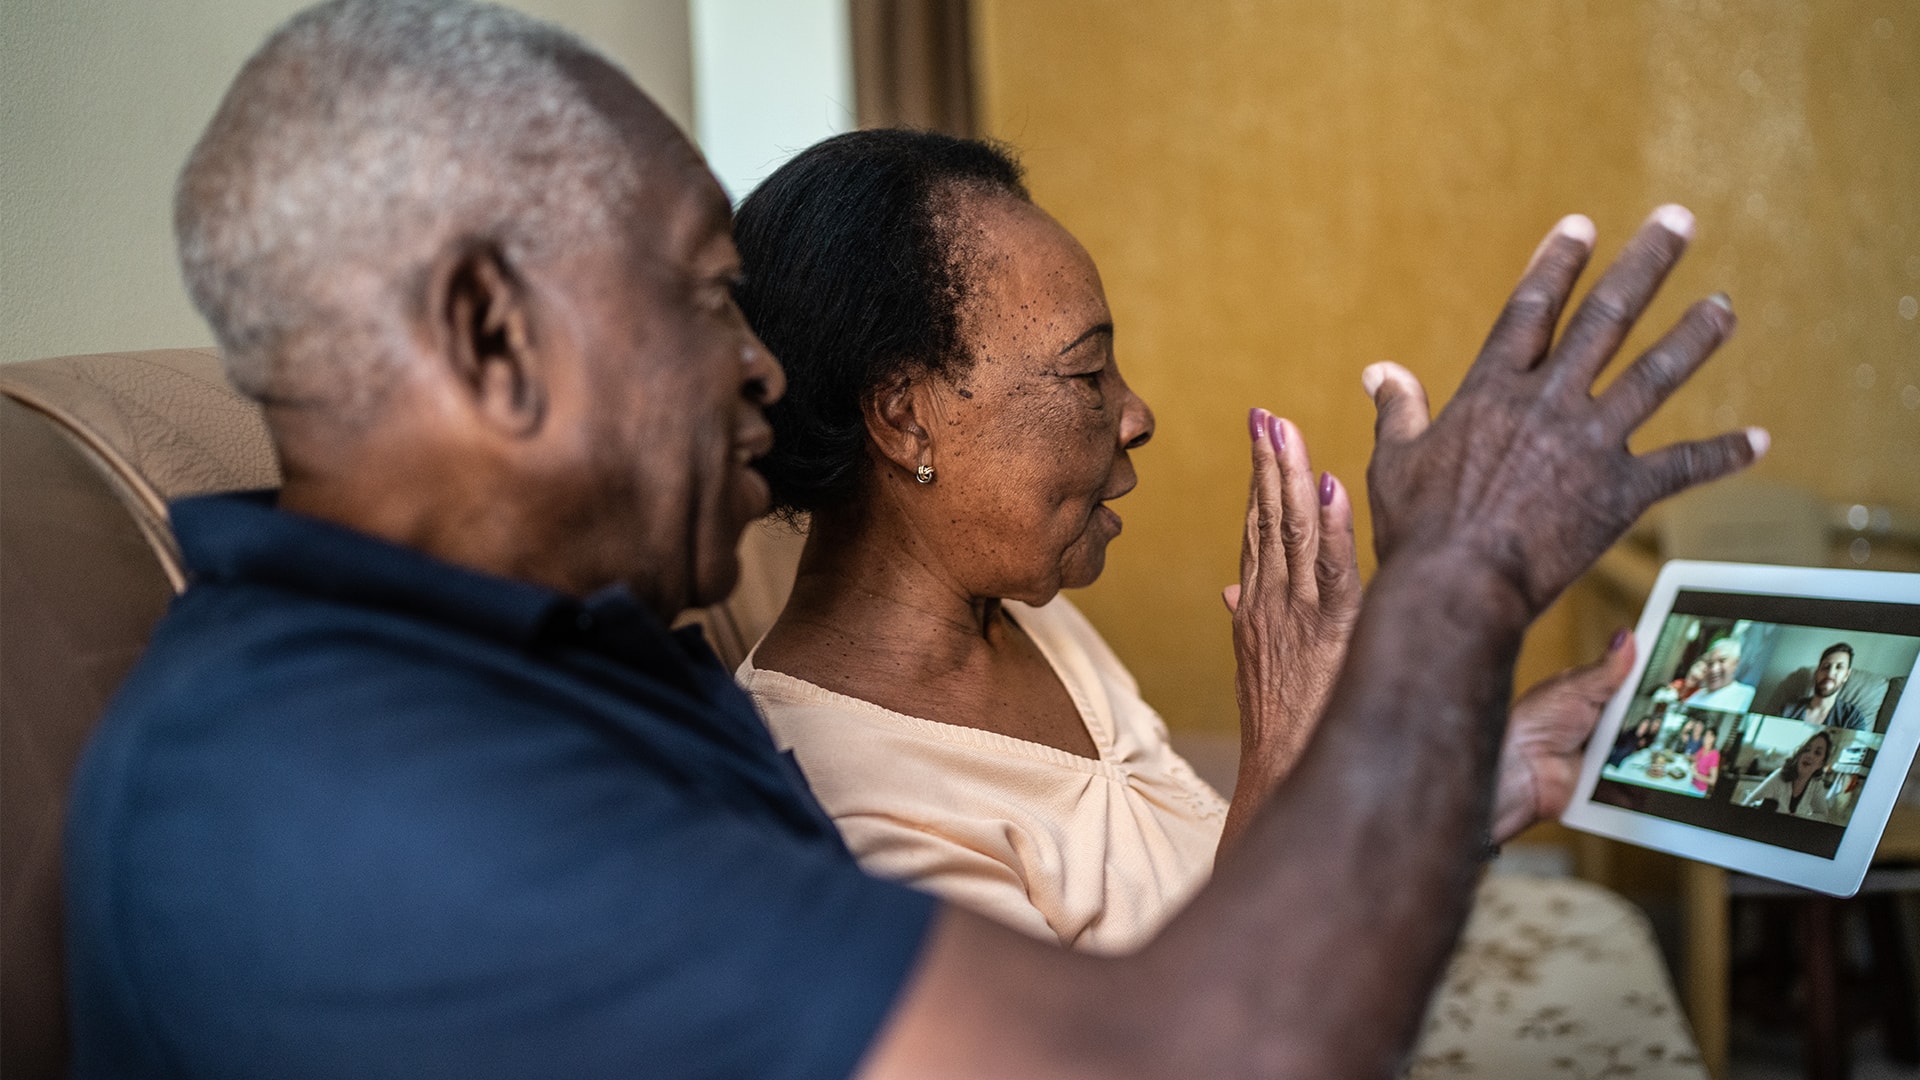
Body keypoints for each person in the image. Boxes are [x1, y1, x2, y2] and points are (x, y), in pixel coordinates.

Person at [63, 2, 1763, 1076]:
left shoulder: (545, 659)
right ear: (494, 334)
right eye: (706, 297)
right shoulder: (365, 802)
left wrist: (1476, 752)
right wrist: (1458, 584)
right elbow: (1209, 1051)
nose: (761, 366)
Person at [732, 130, 1638, 952]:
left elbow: (1184, 856)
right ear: (905, 418)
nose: (1136, 414)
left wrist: (1479, 781)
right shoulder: (836, 812)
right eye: (1087, 371)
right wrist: (1286, 742)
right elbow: (1177, 1044)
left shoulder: (1029, 617)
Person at [1740, 730, 1835, 820]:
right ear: (1799, 753)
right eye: (1806, 749)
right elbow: (1747, 804)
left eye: (1817, 753)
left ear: (1821, 764)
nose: (1809, 755)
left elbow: (1822, 815)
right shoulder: (1779, 776)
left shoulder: (1816, 784)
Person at [1781, 643, 1870, 729]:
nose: (1830, 673)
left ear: (1846, 675)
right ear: (1817, 672)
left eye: (1839, 667)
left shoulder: (1853, 718)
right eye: (1826, 666)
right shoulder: (1788, 710)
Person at [1682, 636, 1757, 712]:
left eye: (1722, 661)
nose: (1714, 669)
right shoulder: (1697, 696)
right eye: (1710, 663)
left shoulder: (1746, 695)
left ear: (1736, 663)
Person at [1690, 728, 1721, 795]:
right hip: (1691, 783)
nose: (1706, 738)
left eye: (1709, 736)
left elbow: (1713, 780)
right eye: (1705, 735)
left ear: (1713, 738)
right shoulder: (1702, 749)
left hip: (1699, 790)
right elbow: (1695, 761)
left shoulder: (1714, 754)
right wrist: (1693, 765)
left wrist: (1696, 775)